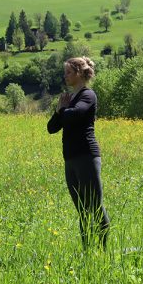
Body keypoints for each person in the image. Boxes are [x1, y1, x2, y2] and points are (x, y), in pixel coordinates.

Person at [47, 56, 110, 249]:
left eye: (68, 72)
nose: (65, 76)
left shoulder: (88, 95)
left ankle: (104, 250)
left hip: (87, 156)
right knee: (82, 210)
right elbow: (51, 127)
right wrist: (60, 111)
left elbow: (76, 114)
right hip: (71, 159)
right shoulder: (70, 99)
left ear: (79, 73)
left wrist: (62, 111)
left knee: (95, 206)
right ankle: (87, 252)